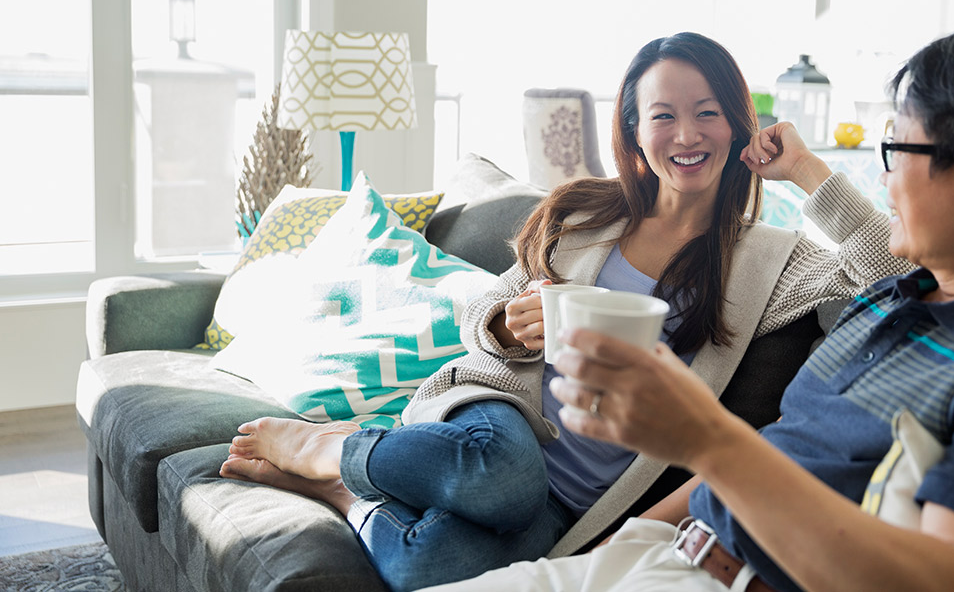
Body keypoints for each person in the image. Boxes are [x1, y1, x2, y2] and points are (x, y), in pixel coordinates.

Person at [426, 22, 954, 592]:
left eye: (897, 147)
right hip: (659, 548)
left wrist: (704, 435)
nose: (886, 178)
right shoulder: (900, 302)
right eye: (664, 115)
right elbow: (779, 447)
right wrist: (605, 552)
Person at [219, 32, 910, 591]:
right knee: (501, 472)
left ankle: (349, 493)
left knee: (430, 568)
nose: (687, 132)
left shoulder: (773, 261)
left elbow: (901, 272)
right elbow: (482, 311)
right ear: (635, 131)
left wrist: (810, 172)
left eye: (707, 110)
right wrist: (506, 324)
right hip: (500, 419)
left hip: (576, 499)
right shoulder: (586, 212)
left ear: (737, 122)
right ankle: (330, 444)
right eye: (663, 114)